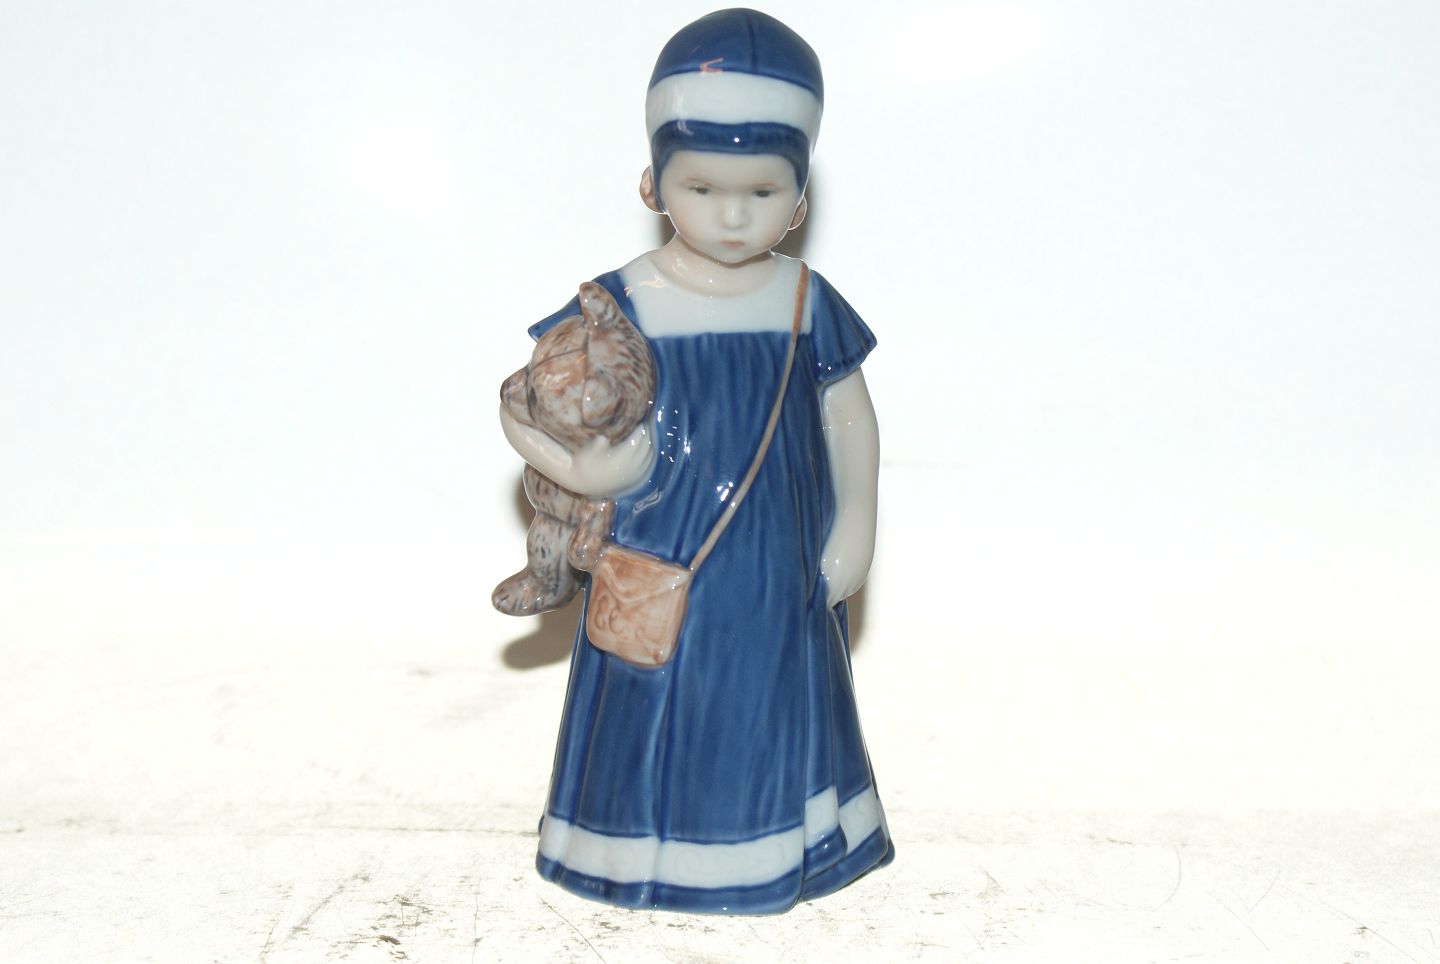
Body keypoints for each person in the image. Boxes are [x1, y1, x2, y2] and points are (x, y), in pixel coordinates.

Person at [499, 9, 892, 914]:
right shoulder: (620, 304)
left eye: (762, 190)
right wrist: (581, 472)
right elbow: (523, 406)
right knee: (655, 699)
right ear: (652, 183)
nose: (732, 213)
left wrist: (857, 529)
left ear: (801, 199)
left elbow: (849, 419)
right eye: (703, 186)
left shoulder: (806, 301)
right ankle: (634, 849)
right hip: (655, 547)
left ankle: (778, 850)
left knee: (769, 699)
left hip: (775, 557)